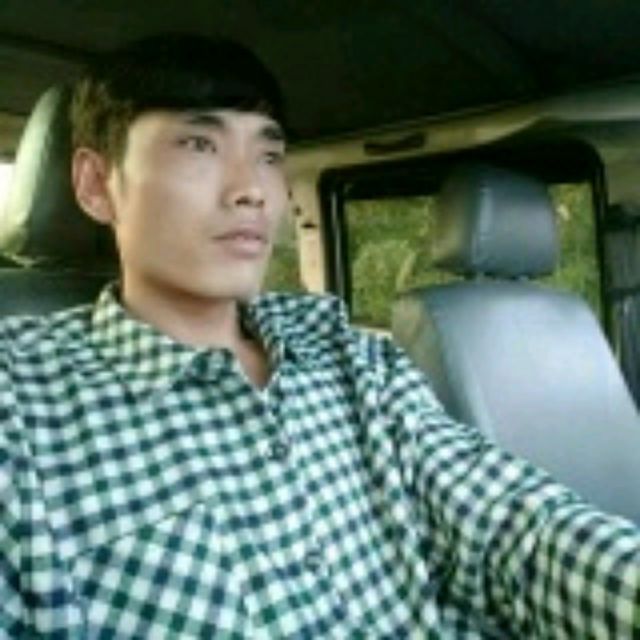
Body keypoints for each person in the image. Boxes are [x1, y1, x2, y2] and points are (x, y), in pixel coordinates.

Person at [0, 33, 638, 639]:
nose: (252, 190)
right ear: (96, 185)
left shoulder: (349, 352)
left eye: (269, 155)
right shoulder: (23, 405)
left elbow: (507, 522)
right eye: (198, 145)